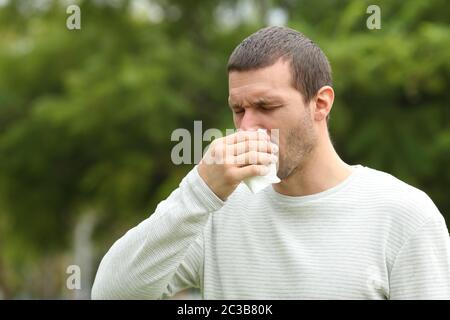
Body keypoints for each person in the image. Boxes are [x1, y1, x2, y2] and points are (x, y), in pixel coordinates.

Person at [91, 26, 450, 299]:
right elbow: (111, 293)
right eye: (239, 110)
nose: (248, 126)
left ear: (321, 104)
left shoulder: (405, 216)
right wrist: (199, 191)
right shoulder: (214, 210)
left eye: (266, 107)